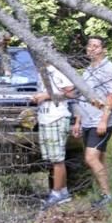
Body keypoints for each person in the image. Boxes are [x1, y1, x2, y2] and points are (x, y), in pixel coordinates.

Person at [72, 35, 112, 209]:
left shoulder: (110, 69)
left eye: (96, 46)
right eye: (89, 45)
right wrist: (77, 121)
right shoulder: (86, 71)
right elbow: (81, 98)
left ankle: (108, 196)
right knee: (99, 158)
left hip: (101, 121)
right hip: (86, 120)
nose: (91, 48)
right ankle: (102, 193)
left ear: (103, 49)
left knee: (91, 158)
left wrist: (104, 121)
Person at [31, 59, 75, 210]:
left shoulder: (58, 70)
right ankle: (63, 191)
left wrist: (47, 96)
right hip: (44, 118)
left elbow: (71, 92)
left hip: (57, 117)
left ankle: (56, 193)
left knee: (57, 159)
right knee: (52, 158)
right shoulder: (41, 72)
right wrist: (37, 97)